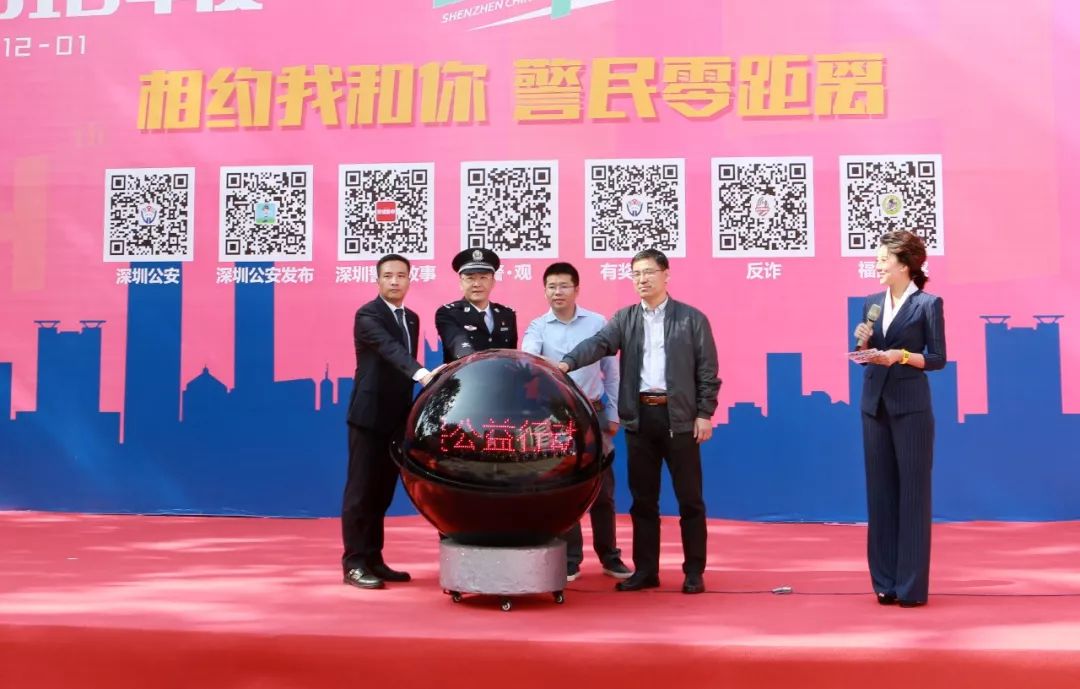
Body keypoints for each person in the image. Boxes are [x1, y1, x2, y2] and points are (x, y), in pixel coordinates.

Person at [558, 248, 720, 594]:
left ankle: (694, 571)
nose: (642, 280)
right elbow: (599, 344)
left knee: (690, 500)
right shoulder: (625, 319)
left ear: (666, 275)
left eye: (648, 272)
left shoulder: (692, 319)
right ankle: (646, 571)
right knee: (643, 502)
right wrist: (567, 363)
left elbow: (707, 370)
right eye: (636, 274)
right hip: (640, 420)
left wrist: (704, 413)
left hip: (680, 419)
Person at [521, 262, 632, 583]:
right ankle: (570, 560)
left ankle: (610, 556)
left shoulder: (598, 324)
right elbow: (529, 361)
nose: (558, 292)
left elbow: (612, 374)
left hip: (594, 413)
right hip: (555, 417)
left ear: (576, 289)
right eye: (552, 286)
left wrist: (613, 414)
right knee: (564, 488)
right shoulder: (538, 327)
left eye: (564, 285)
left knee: (603, 489)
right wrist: (546, 364)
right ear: (545, 291)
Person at [853, 230, 946, 608]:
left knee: (912, 495)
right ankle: (884, 582)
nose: (877, 265)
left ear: (905, 264)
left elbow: (937, 359)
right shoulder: (871, 303)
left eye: (883, 259)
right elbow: (866, 354)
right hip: (873, 406)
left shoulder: (928, 304)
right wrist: (862, 343)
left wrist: (901, 356)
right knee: (880, 495)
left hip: (911, 409)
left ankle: (910, 586)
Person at [342, 254, 435, 589]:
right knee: (361, 493)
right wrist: (422, 373)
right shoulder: (368, 315)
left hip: (396, 418)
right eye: (388, 276)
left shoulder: (411, 318)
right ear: (378, 280)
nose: (395, 281)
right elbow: (390, 350)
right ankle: (354, 563)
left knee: (382, 492)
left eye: (401, 275)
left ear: (409, 280)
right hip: (368, 417)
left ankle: (374, 559)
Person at [435, 248, 517, 363]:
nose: (477, 284)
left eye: (483, 277)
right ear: (461, 283)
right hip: (465, 373)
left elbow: (511, 356)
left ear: (493, 282)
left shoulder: (507, 314)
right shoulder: (449, 313)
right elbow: (457, 344)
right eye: (470, 278)